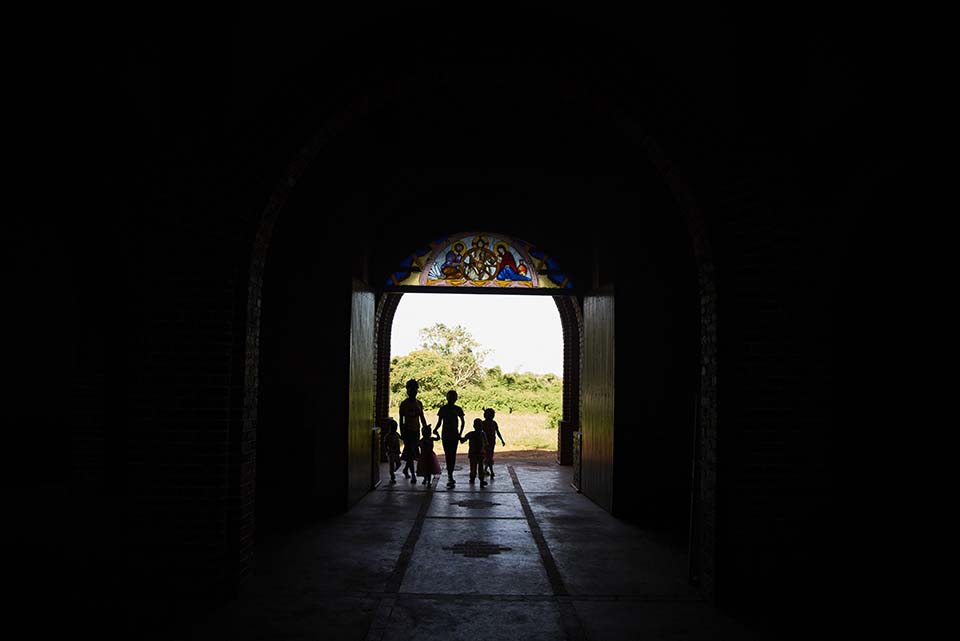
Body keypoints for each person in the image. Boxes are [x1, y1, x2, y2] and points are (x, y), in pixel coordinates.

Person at [399, 379, 428, 483]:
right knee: (411, 453)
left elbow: (422, 417)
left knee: (412, 452)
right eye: (411, 389)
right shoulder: (403, 404)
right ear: (407, 390)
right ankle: (413, 475)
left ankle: (406, 469)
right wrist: (401, 432)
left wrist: (425, 427)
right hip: (407, 431)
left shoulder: (419, 403)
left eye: (415, 389)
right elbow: (401, 419)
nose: (413, 392)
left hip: (416, 431)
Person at [434, 389, 465, 487]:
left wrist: (459, 433)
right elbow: (462, 422)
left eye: (452, 397)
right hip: (449, 435)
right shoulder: (456, 409)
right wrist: (460, 433)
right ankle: (450, 475)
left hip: (450, 434)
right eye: (450, 397)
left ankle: (450, 475)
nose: (451, 398)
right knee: (450, 455)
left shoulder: (444, 409)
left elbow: (440, 423)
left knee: (450, 455)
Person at [460, 418, 488, 487]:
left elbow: (462, 441)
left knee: (473, 467)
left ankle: (472, 478)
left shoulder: (471, 434)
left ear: (473, 426)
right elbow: (486, 444)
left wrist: (458, 435)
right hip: (480, 453)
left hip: (473, 453)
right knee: (480, 467)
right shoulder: (483, 434)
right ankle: (481, 480)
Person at [481, 408, 505, 479]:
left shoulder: (490, 423)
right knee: (488, 456)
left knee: (488, 456)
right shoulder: (490, 423)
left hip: (490, 443)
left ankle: (485, 470)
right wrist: (502, 440)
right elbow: (497, 432)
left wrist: (502, 440)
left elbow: (497, 432)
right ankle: (490, 471)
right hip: (487, 443)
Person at [383, 418, 402, 484]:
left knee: (398, 463)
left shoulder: (396, 434)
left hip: (396, 452)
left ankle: (393, 472)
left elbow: (401, 438)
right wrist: (387, 450)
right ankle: (392, 476)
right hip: (391, 452)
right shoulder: (387, 436)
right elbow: (385, 444)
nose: (394, 428)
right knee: (392, 464)